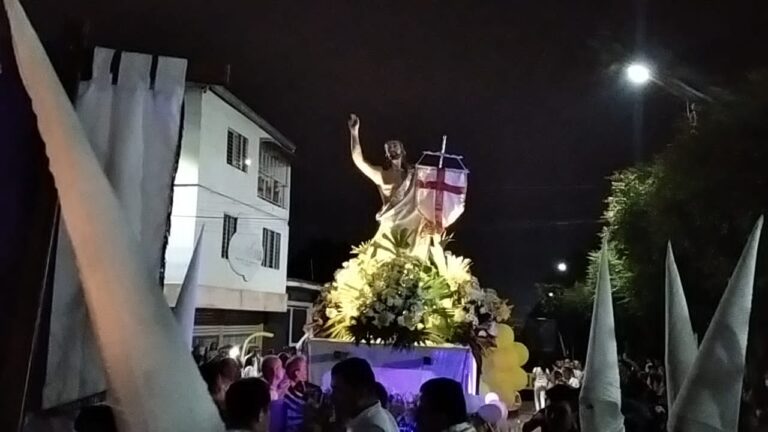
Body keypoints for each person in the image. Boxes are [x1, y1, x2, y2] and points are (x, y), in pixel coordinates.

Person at [347, 114, 425, 247]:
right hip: (391, 224)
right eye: (388, 147)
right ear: (387, 154)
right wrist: (354, 133)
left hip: (411, 225)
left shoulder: (413, 175)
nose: (392, 148)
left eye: (394, 145)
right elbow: (359, 161)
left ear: (402, 149)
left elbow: (426, 196)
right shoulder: (381, 175)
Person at [331, 357, 399, 432]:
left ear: (361, 391)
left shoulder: (371, 427)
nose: (332, 397)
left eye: (338, 390)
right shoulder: (382, 416)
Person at [281, 355, 321, 432]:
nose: (308, 371)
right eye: (305, 368)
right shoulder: (287, 397)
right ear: (297, 373)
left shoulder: (306, 389)